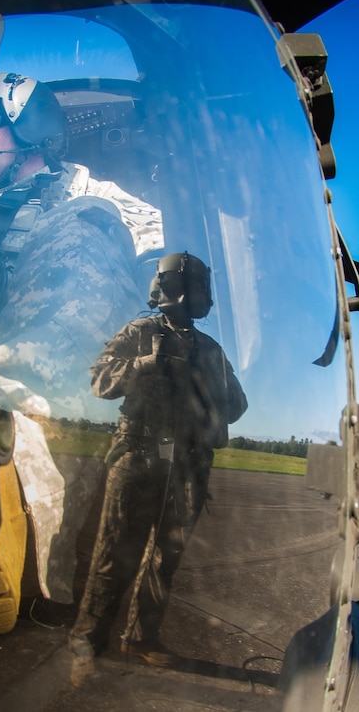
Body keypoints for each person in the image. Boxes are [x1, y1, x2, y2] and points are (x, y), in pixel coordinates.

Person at [0, 72, 164, 604]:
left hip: (58, 379)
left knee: (86, 225)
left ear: (31, 127)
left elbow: (157, 259)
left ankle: (16, 467)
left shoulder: (90, 196)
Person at [69, 252, 247, 679]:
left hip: (188, 465)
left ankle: (140, 637)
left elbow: (238, 405)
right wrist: (146, 367)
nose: (206, 296)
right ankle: (87, 637)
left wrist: (209, 386)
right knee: (115, 551)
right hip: (139, 455)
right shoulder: (142, 332)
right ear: (177, 287)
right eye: (202, 287)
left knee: (166, 557)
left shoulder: (210, 348)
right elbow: (99, 378)